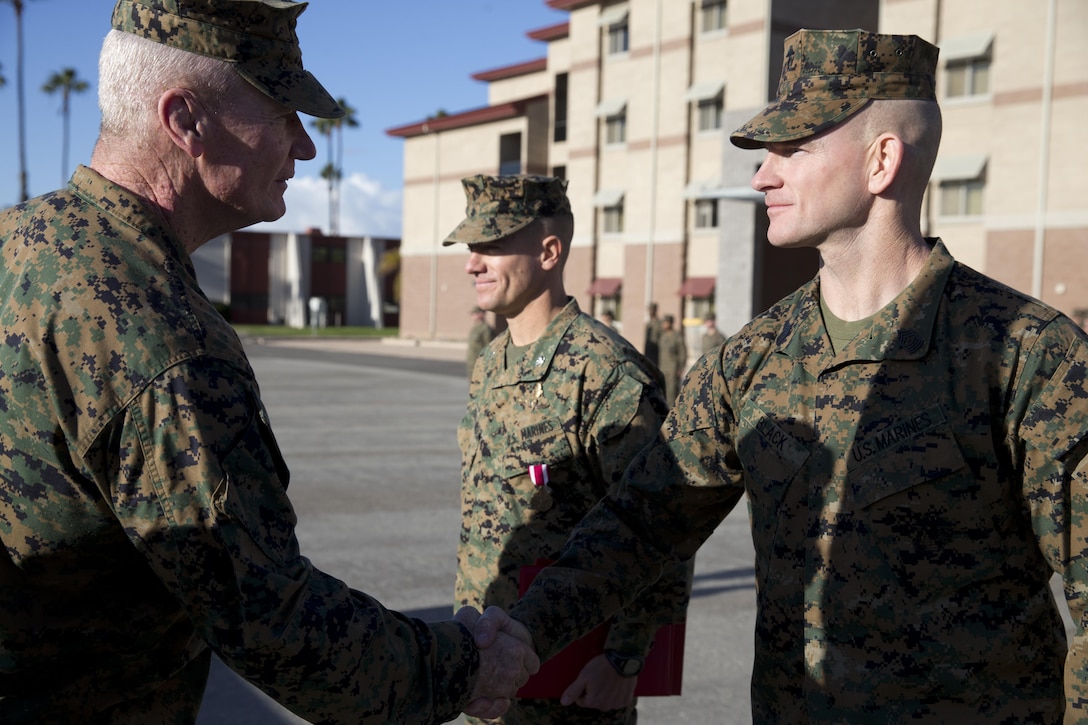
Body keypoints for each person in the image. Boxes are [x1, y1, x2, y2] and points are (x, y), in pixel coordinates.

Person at [478, 28, 1088, 722]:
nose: (762, 175)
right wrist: (520, 633)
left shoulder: (1030, 358)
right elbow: (641, 522)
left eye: (793, 148)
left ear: (881, 160)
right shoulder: (751, 359)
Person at [0, 2, 536, 722]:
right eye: (281, 111)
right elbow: (270, 620)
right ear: (184, 120)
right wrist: (464, 664)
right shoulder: (158, 332)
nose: (306, 145)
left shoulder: (19, 242)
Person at [445, 174, 692, 725]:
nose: (472, 263)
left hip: (573, 685)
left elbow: (664, 523)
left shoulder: (606, 373)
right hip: (488, 668)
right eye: (470, 248)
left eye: (493, 246)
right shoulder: (491, 363)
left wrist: (625, 662)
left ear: (550, 251)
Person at [656, 314, 687, 407]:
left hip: (673, 369)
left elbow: (682, 353)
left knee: (672, 394)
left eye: (665, 323)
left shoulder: (677, 336)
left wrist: (680, 368)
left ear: (670, 323)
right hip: (663, 368)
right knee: (663, 393)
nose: (663, 325)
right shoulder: (663, 336)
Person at [466, 305, 494, 376]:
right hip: (472, 362)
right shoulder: (475, 328)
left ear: (481, 314)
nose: (473, 316)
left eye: (475, 314)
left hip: (480, 365)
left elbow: (490, 348)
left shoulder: (486, 329)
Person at [643, 302, 662, 367]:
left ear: (655, 310)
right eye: (649, 310)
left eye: (652, 309)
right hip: (649, 350)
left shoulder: (659, 323)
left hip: (656, 351)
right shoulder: (648, 324)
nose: (651, 311)